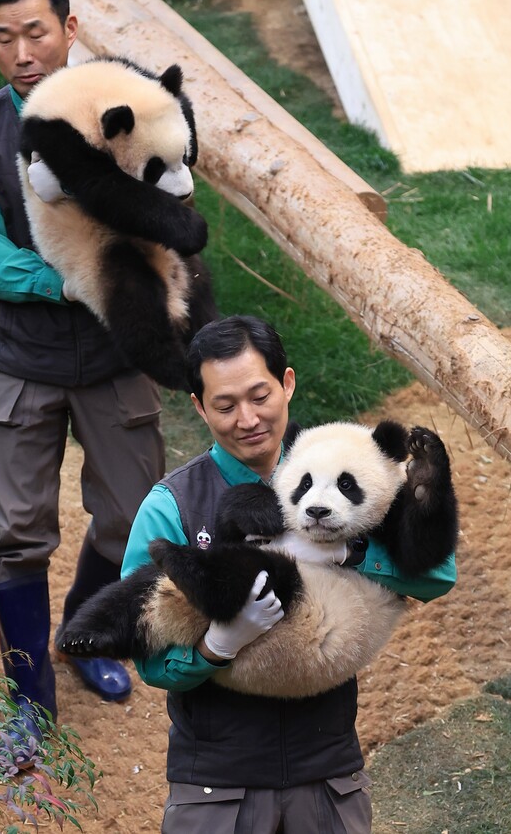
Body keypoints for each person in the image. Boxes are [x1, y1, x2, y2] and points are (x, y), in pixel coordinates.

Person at [0, 0, 165, 758]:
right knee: (17, 533)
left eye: (37, 31)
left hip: (114, 357)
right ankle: (30, 701)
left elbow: (166, 210)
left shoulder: (129, 113)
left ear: (71, 30)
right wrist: (77, 280)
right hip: (22, 360)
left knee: (131, 514)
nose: (22, 51)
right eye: (5, 37)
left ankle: (86, 633)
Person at [121, 314, 457, 834]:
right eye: (225, 405)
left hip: (326, 771)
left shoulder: (348, 458)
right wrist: (218, 646)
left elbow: (438, 574)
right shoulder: (172, 506)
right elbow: (151, 658)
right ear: (198, 407)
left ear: (288, 383)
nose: (248, 418)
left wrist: (349, 554)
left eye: (260, 396)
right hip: (216, 781)